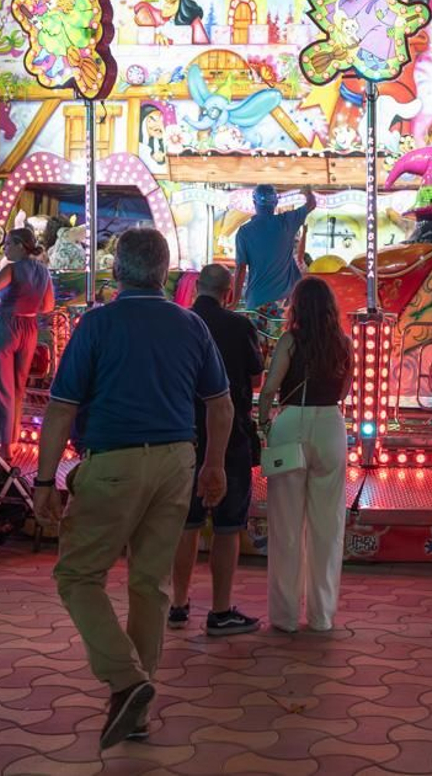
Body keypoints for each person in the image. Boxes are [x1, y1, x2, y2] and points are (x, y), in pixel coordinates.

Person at [33, 227, 233, 749]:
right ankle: (137, 711)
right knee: (151, 585)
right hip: (177, 461)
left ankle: (127, 680)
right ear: (165, 272)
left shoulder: (97, 324)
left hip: (114, 460)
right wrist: (214, 465)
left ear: (116, 271)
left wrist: (43, 478)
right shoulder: (191, 326)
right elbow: (221, 402)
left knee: (78, 576)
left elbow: (60, 407)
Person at [170, 264, 266, 637]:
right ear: (229, 292)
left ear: (197, 288)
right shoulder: (240, 326)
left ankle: (178, 604)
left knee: (187, 522)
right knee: (227, 525)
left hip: (185, 431)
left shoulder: (178, 323)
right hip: (231, 435)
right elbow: (256, 377)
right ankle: (221, 609)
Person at [257, 275, 351, 633]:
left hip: (291, 422)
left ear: (297, 305)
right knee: (328, 528)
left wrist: (265, 422)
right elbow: (343, 391)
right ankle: (322, 615)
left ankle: (283, 617)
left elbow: (270, 388)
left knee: (286, 527)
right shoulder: (343, 343)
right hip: (330, 425)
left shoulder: (290, 341)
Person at [0, 227, 54, 449]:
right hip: (29, 328)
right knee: (19, 387)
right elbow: (48, 306)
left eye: (9, 243)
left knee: (0, 386)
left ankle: (1, 443)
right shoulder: (43, 271)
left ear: (21, 246)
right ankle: (11, 441)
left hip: (5, 325)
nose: (5, 247)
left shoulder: (11, 269)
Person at [234, 184, 316, 326]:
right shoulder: (287, 222)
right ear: (276, 203)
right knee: (283, 344)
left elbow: (240, 268)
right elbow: (311, 204)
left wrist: (235, 301)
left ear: (254, 203)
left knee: (256, 345)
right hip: (284, 303)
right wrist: (307, 192)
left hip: (256, 300)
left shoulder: (244, 232)